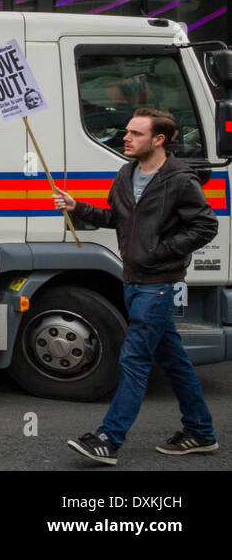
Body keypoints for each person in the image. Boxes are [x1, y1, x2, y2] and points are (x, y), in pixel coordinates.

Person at [55, 107, 219, 465]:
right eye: (127, 132)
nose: (125, 138)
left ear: (159, 140)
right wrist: (77, 206)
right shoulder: (126, 173)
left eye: (135, 133)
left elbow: (206, 226)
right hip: (132, 280)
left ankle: (109, 439)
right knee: (173, 361)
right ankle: (201, 431)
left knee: (134, 358)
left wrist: (161, 251)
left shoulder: (179, 178)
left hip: (158, 284)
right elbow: (114, 217)